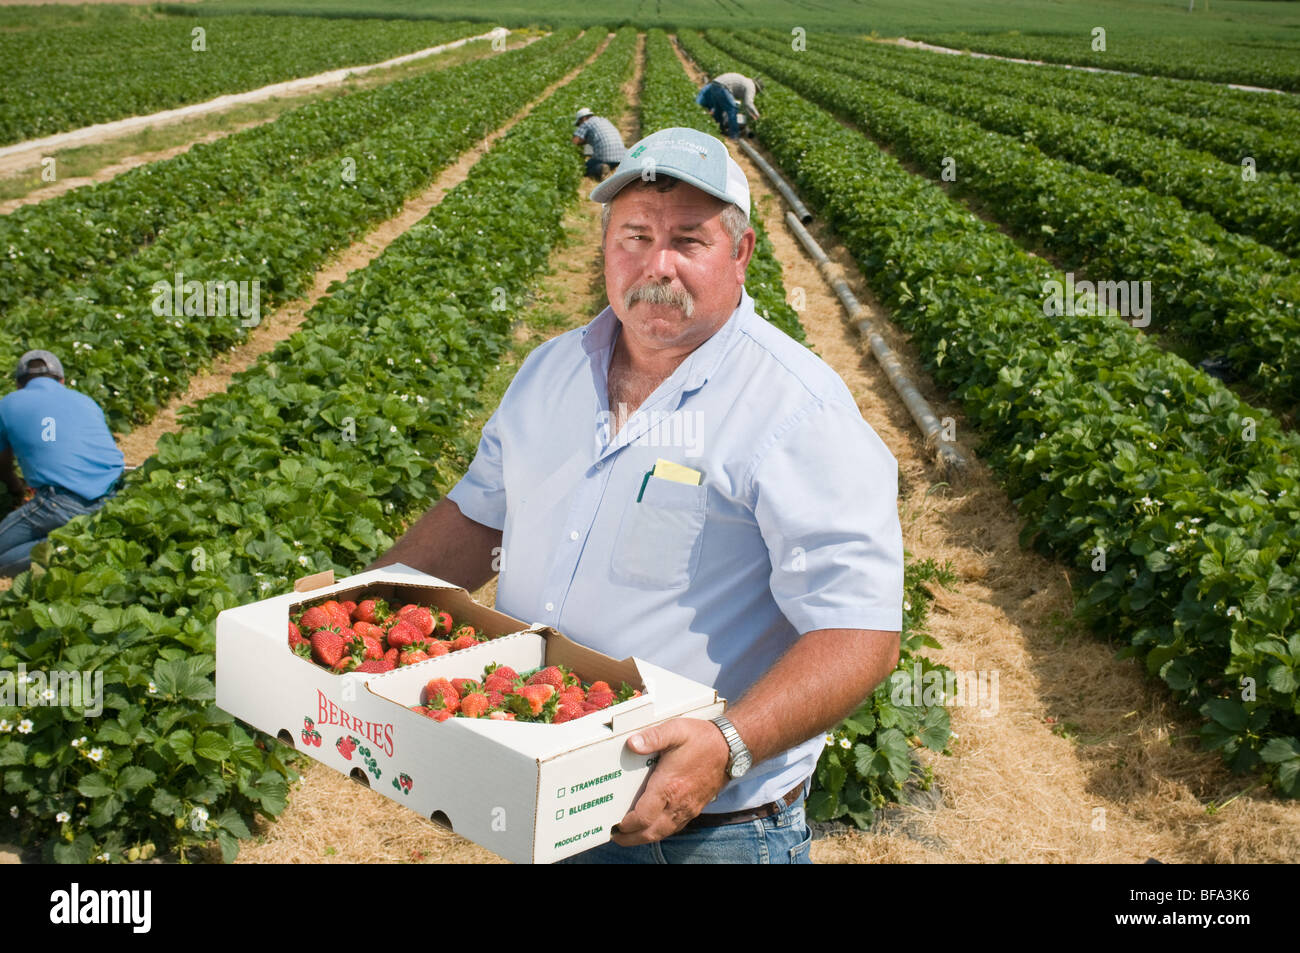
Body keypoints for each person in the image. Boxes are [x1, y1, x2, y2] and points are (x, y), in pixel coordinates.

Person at [369, 128, 903, 864]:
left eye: (689, 240)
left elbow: (859, 630)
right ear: (605, 246)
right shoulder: (551, 371)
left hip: (704, 827)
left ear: (741, 254)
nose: (657, 265)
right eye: (635, 236)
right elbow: (476, 518)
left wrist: (728, 743)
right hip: (541, 781)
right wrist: (363, 608)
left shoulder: (795, 409)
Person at [0, 350, 124, 576]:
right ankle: (81, 538)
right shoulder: (86, 401)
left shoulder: (7, 404)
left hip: (60, 502)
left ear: (19, 384)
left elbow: (2, 465)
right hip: (113, 497)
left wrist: (16, 488)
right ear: (62, 381)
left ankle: (64, 546)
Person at [697, 73, 761, 139]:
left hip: (715, 85)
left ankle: (718, 128)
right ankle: (734, 135)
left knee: (719, 109)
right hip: (723, 87)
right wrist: (757, 115)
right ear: (757, 88)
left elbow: (745, 104)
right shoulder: (751, 87)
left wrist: (750, 113)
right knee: (732, 110)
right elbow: (748, 103)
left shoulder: (747, 82)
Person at [572, 107, 626, 181]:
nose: (579, 126)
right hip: (621, 156)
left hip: (604, 156)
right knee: (604, 161)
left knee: (584, 169)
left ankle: (600, 168)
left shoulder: (586, 123)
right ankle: (610, 167)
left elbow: (575, 141)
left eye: (579, 123)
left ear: (583, 118)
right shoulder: (604, 120)